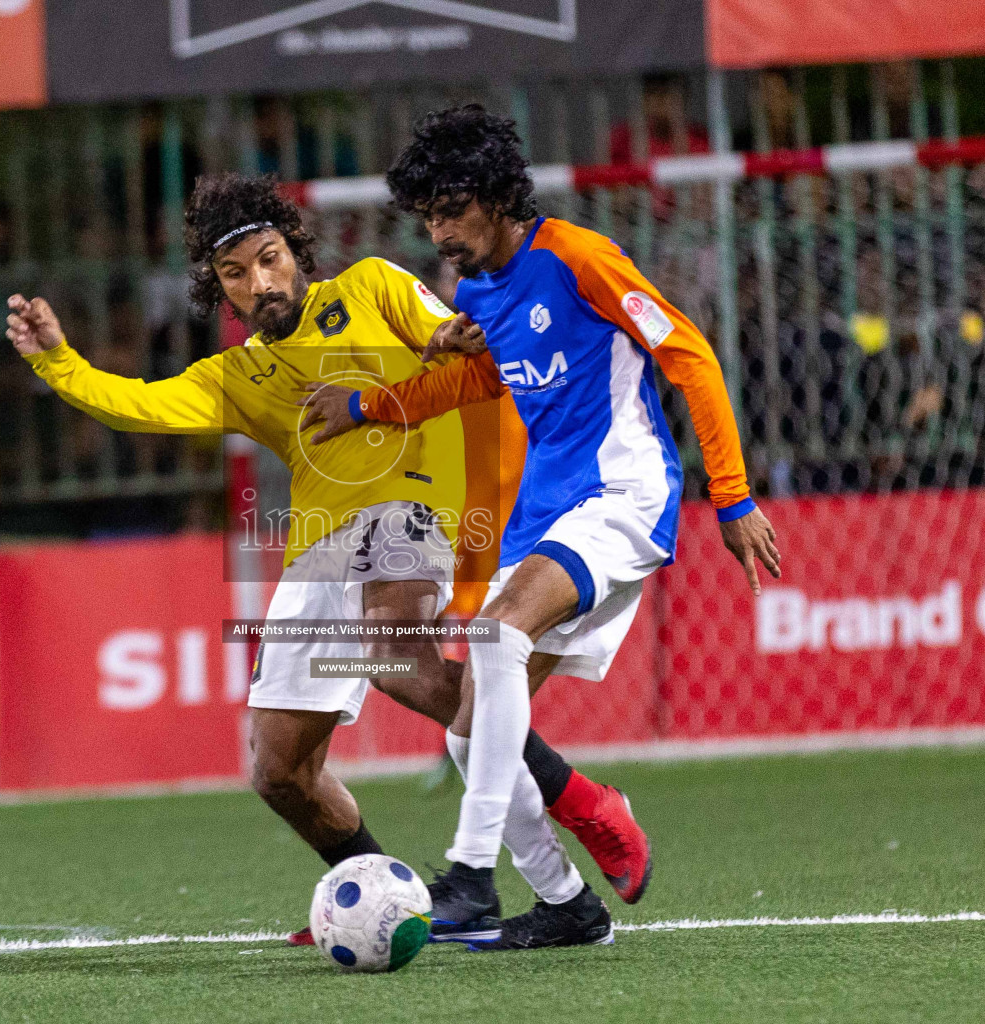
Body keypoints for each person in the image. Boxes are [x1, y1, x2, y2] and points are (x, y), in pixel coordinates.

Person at [8, 172, 626, 948]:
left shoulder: (369, 288)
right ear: (218, 288)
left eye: (269, 259)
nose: (259, 282)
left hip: (411, 510)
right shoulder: (236, 377)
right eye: (236, 274)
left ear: (294, 251)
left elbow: (439, 330)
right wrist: (57, 360)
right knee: (278, 771)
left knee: (393, 654)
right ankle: (380, 898)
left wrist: (446, 336)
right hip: (319, 554)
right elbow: (138, 402)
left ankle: (574, 805)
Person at [302, 106, 781, 949]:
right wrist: (370, 405)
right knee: (467, 730)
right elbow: (474, 385)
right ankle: (567, 902)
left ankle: (471, 876)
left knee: (491, 637)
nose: (440, 232)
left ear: (495, 196)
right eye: (429, 218)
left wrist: (732, 497)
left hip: (621, 495)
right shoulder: (476, 291)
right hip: (547, 515)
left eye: (452, 211)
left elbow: (691, 356)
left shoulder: (579, 257)